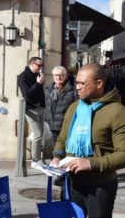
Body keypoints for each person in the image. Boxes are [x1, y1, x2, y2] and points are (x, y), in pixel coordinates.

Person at [50, 63, 125, 218]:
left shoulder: (117, 111)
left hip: (100, 186)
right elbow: (63, 138)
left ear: (99, 83)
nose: (77, 87)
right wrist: (57, 157)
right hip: (72, 183)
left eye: (82, 83)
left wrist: (90, 163)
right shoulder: (74, 107)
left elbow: (123, 154)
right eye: (76, 82)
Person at [44, 66, 78, 154]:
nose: (58, 78)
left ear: (66, 76)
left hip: (66, 125)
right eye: (56, 75)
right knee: (56, 149)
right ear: (53, 76)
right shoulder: (49, 89)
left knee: (66, 149)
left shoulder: (73, 89)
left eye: (61, 75)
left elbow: (77, 108)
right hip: (53, 126)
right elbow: (46, 106)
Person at [17, 56, 45, 161]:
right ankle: (35, 159)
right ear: (31, 64)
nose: (40, 67)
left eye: (41, 65)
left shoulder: (37, 75)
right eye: (38, 65)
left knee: (41, 133)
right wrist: (38, 83)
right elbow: (27, 95)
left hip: (40, 107)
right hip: (30, 109)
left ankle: (37, 157)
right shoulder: (23, 77)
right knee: (37, 133)